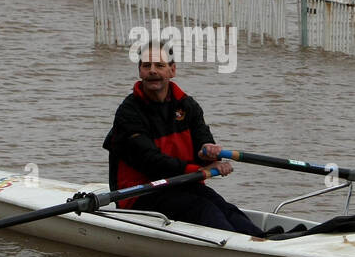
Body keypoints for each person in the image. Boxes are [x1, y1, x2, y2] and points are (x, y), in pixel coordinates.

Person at [103, 40, 265, 235]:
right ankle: (244, 251)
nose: (152, 71)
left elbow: (203, 142)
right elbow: (151, 162)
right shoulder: (128, 113)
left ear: (172, 70)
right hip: (140, 194)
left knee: (224, 207)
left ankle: (264, 239)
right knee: (203, 209)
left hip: (181, 183)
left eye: (160, 65)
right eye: (147, 66)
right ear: (140, 72)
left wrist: (209, 153)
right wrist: (200, 169)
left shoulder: (187, 106)